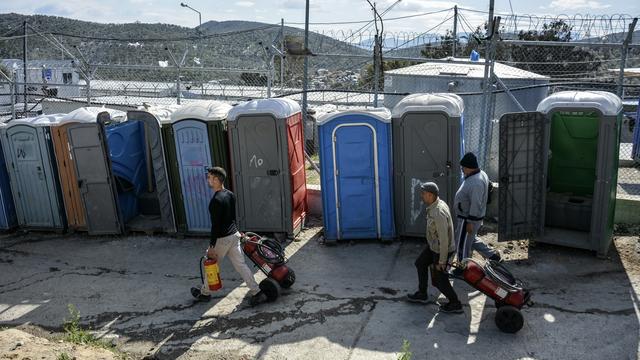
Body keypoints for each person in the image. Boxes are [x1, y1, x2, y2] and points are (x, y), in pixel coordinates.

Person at [191, 166, 266, 306]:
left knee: (211, 264)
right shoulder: (230, 194)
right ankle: (257, 291)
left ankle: (205, 293)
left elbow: (216, 226)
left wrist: (212, 246)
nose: (208, 180)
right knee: (241, 265)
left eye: (209, 177)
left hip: (222, 239)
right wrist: (238, 232)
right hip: (234, 235)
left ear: (216, 180)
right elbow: (232, 218)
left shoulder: (215, 201)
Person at [408, 182, 463, 314]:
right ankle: (422, 294)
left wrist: (442, 261)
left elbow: (444, 240)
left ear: (431, 195)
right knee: (420, 263)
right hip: (434, 246)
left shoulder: (438, 212)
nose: (422, 196)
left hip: (441, 250)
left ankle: (455, 303)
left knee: (439, 280)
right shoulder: (435, 205)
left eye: (423, 193)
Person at [453, 152, 502, 264]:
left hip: (468, 218)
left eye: (463, 167)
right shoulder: (480, 174)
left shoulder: (476, 182)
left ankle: (462, 266)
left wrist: (469, 221)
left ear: (470, 167)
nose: (462, 169)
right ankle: (492, 255)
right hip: (471, 218)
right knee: (471, 239)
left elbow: (476, 203)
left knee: (462, 244)